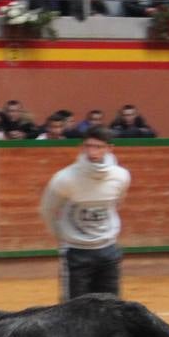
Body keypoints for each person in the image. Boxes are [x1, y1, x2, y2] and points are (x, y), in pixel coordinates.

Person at [39, 126, 131, 301]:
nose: (92, 151)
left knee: (111, 308)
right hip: (76, 251)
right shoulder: (65, 178)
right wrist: (62, 237)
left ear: (109, 148)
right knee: (73, 311)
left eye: (98, 147)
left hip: (108, 249)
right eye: (88, 146)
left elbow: (117, 202)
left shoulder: (121, 176)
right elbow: (47, 209)